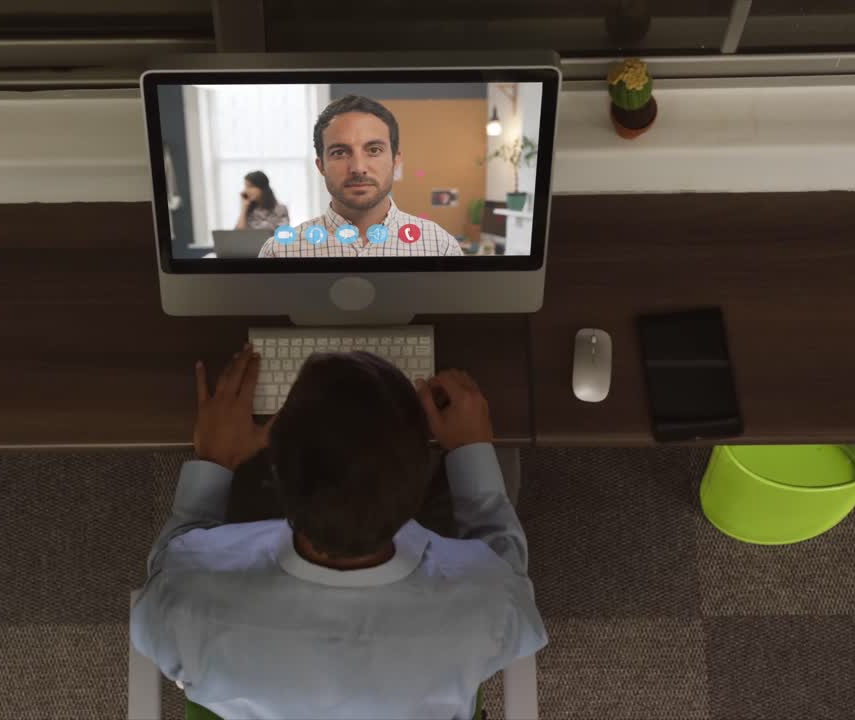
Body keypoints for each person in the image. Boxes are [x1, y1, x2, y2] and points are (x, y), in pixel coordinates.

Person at [131, 345, 547, 719]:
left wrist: (215, 462)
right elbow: (507, 568)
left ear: (273, 473)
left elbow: (169, 571)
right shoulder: (487, 609)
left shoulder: (186, 603)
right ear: (420, 478)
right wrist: (469, 450)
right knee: (501, 459)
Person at [258, 95, 464, 258]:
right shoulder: (279, 252)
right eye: (339, 152)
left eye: (373, 150)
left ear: (396, 160)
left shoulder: (440, 246)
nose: (358, 168)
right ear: (321, 165)